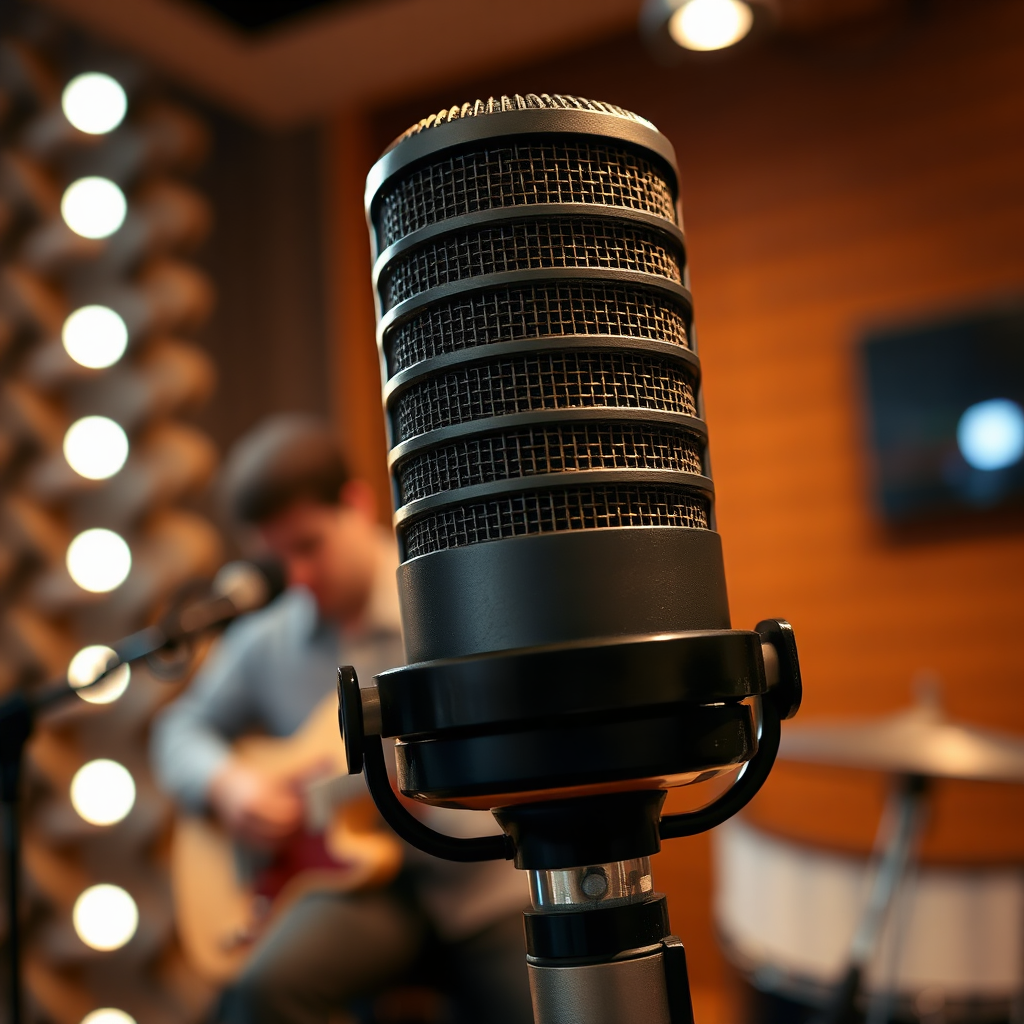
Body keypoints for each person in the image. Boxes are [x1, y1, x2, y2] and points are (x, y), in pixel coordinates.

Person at [151, 415, 533, 1024]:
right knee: (255, 994)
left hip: (483, 886)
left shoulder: (454, 604)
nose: (298, 578)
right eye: (277, 562)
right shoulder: (264, 640)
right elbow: (177, 730)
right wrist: (231, 786)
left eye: (308, 547)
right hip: (359, 893)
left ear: (355, 505)